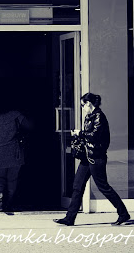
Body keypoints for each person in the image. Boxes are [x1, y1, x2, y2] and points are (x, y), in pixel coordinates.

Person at [53, 93, 131, 227]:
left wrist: (80, 133)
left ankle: (123, 213)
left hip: (96, 157)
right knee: (77, 186)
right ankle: (69, 218)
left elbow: (94, 136)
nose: (82, 108)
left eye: (83, 105)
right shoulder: (89, 117)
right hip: (87, 156)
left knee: (103, 187)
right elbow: (88, 136)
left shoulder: (99, 116)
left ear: (89, 103)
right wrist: (79, 137)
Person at [0, 102, 30, 212]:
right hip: (14, 150)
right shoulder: (16, 114)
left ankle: (1, 200)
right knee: (12, 178)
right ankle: (10, 202)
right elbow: (29, 126)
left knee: (0, 177)